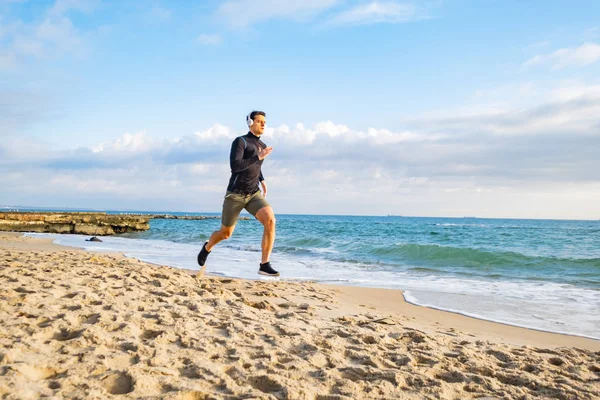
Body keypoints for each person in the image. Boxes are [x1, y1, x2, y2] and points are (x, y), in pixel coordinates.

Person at [197, 111, 279, 276]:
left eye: (265, 122)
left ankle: (264, 264)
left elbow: (256, 167)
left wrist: (262, 179)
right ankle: (207, 247)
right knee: (225, 234)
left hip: (253, 194)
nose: (263, 124)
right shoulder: (240, 142)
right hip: (235, 194)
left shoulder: (262, 145)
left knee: (270, 220)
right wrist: (259, 157)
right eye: (259, 121)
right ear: (250, 123)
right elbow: (236, 166)